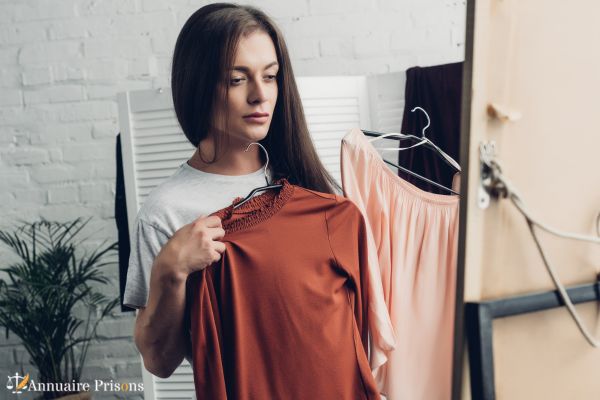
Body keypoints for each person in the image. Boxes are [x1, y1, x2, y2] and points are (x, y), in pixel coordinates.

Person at [122, 2, 340, 382]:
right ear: (198, 85)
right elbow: (159, 361)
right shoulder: (166, 214)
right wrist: (170, 271)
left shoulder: (311, 186)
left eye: (270, 76)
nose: (260, 95)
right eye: (237, 80)